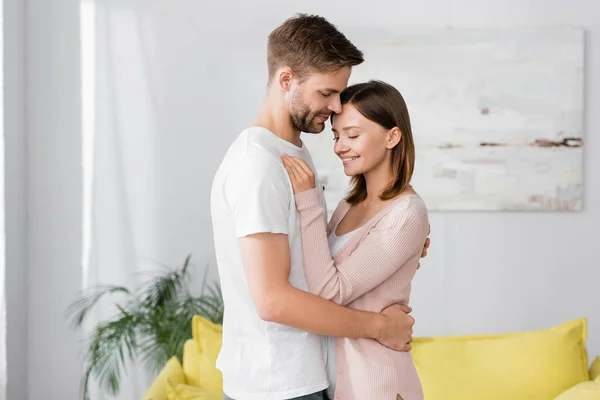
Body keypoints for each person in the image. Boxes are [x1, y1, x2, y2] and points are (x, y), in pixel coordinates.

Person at [210, 14, 430, 400]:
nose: (335, 105)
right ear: (286, 80)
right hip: (277, 383)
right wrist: (379, 326)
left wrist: (400, 244)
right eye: (327, 93)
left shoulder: (295, 155)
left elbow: (314, 256)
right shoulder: (257, 165)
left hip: (311, 374)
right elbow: (273, 301)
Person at [281, 80, 429, 400]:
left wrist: (308, 200)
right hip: (336, 384)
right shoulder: (350, 204)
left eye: (352, 135)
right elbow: (315, 269)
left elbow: (329, 292)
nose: (339, 146)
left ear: (392, 136)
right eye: (337, 136)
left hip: (377, 386)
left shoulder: (405, 213)